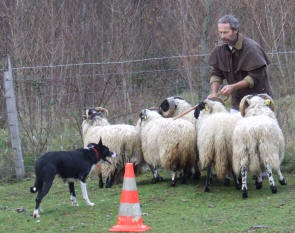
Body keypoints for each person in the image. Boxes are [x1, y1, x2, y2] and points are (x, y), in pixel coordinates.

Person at [208, 14, 272, 112]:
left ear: (236, 30)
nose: (222, 36)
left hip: (258, 102)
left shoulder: (251, 48)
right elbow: (216, 74)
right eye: (220, 32)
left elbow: (255, 77)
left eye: (225, 32)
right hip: (237, 104)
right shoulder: (219, 49)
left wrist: (232, 87)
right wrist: (213, 93)